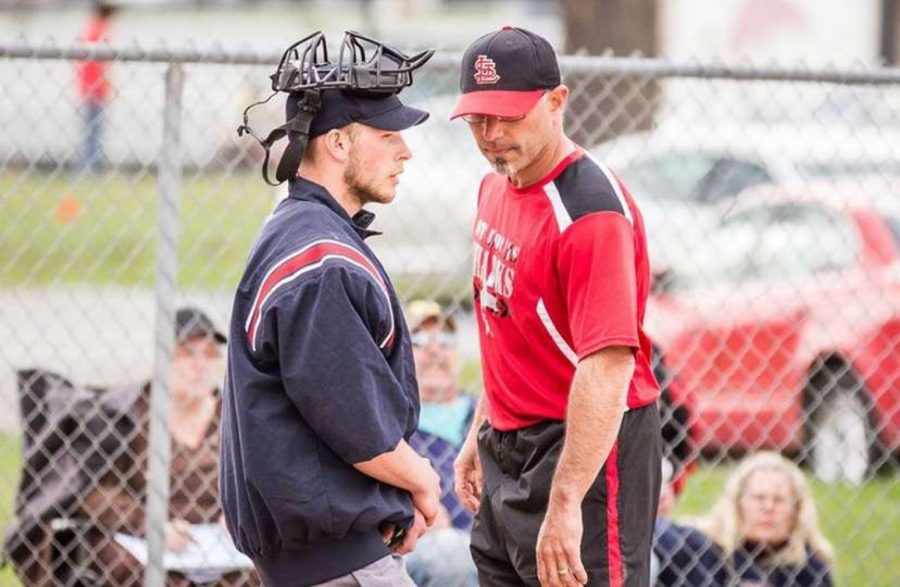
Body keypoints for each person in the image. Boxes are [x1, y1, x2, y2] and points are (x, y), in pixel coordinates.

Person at [219, 33, 442, 586]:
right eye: (388, 135)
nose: (405, 151)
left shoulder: (298, 227)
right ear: (338, 143)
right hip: (340, 567)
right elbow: (360, 427)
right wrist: (422, 481)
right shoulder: (321, 260)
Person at [450, 26, 662, 586]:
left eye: (509, 116)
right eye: (478, 120)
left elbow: (610, 365)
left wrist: (566, 503)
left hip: (584, 446)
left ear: (556, 102)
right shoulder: (495, 186)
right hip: (509, 441)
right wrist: (481, 427)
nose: (492, 135)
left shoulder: (590, 214)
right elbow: (505, 326)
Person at [4, 307, 256, 586]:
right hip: (142, 538)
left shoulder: (233, 418)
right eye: (187, 353)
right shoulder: (127, 415)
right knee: (123, 565)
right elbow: (90, 490)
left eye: (209, 353)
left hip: (219, 542)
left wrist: (242, 514)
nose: (200, 364)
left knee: (261, 570)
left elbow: (262, 481)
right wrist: (150, 525)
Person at [405, 300, 478, 587]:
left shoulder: (483, 412)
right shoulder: (395, 423)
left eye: (446, 340)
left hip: (492, 540)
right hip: (429, 547)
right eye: (421, 340)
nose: (436, 350)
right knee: (447, 554)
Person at [693, 452, 835, 586]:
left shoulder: (809, 569)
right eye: (758, 498)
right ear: (737, 503)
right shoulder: (705, 553)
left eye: (779, 500)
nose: (768, 507)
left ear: (797, 510)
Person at [76, 1, 116, 172]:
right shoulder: (100, 29)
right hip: (95, 89)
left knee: (91, 130)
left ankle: (90, 165)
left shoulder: (92, 28)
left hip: (90, 88)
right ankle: (90, 167)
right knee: (93, 131)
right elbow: (99, 66)